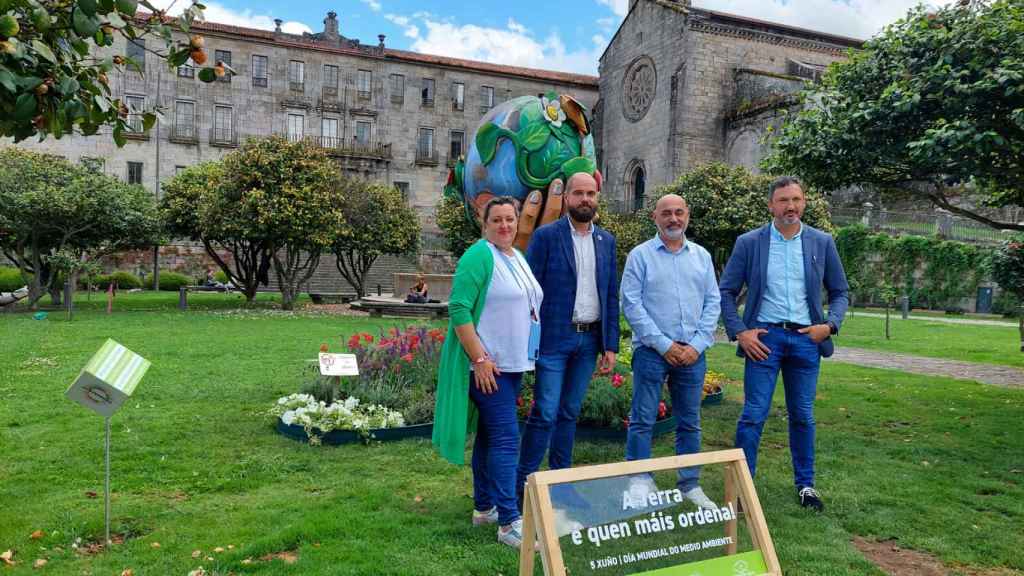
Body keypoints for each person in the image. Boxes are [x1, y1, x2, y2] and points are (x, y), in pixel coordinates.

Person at [719, 176, 849, 512]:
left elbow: (840, 291)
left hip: (807, 340)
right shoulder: (750, 242)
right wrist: (740, 331)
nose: (790, 206)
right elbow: (726, 291)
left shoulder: (821, 242)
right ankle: (742, 489)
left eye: (796, 199)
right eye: (783, 200)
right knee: (753, 415)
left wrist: (830, 325)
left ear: (803, 202)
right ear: (770, 205)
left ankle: (806, 485)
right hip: (764, 339)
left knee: (803, 416)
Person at [433, 196, 544, 548]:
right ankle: (509, 522)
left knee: (490, 437)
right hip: (487, 367)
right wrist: (479, 359)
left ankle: (485, 508)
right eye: (497, 220)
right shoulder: (479, 255)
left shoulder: (516, 256)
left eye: (510, 219)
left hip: (512, 364)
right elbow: (459, 308)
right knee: (507, 439)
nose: (505, 226)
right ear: (485, 224)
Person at [516, 172, 619, 505]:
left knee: (569, 412)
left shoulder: (607, 241)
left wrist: (610, 345)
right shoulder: (546, 237)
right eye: (578, 193)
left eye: (591, 193)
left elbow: (611, 295)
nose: (585, 199)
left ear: (597, 197)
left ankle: (562, 486)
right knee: (545, 411)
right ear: (567, 198)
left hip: (589, 341)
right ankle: (525, 485)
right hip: (554, 340)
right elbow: (530, 292)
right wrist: (529, 340)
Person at [620, 193, 721, 510]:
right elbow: (631, 304)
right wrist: (664, 345)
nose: (673, 219)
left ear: (687, 216)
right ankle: (639, 479)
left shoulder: (701, 257)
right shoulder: (640, 256)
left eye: (679, 212)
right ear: (655, 217)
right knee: (643, 418)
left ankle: (690, 484)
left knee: (690, 421)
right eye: (667, 213)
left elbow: (712, 302)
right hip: (652, 351)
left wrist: (697, 344)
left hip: (693, 353)